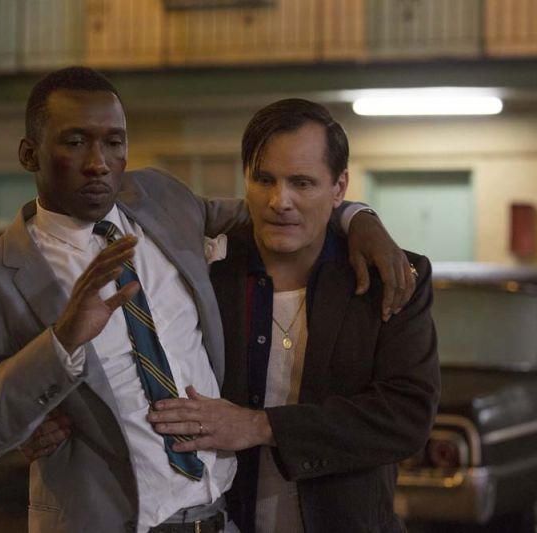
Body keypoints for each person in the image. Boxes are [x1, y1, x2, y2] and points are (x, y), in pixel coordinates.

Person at [0, 67, 414, 533]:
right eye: (75, 142)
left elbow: (275, 212)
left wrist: (358, 218)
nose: (98, 163)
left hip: (219, 518)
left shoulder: (158, 198)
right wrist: (60, 344)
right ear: (29, 154)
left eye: (114, 143)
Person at [146, 99, 440, 533]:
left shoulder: (389, 279)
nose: (279, 201)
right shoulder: (205, 273)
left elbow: (407, 417)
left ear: (339, 188)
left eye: (302, 183)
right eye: (264, 179)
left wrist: (261, 425)